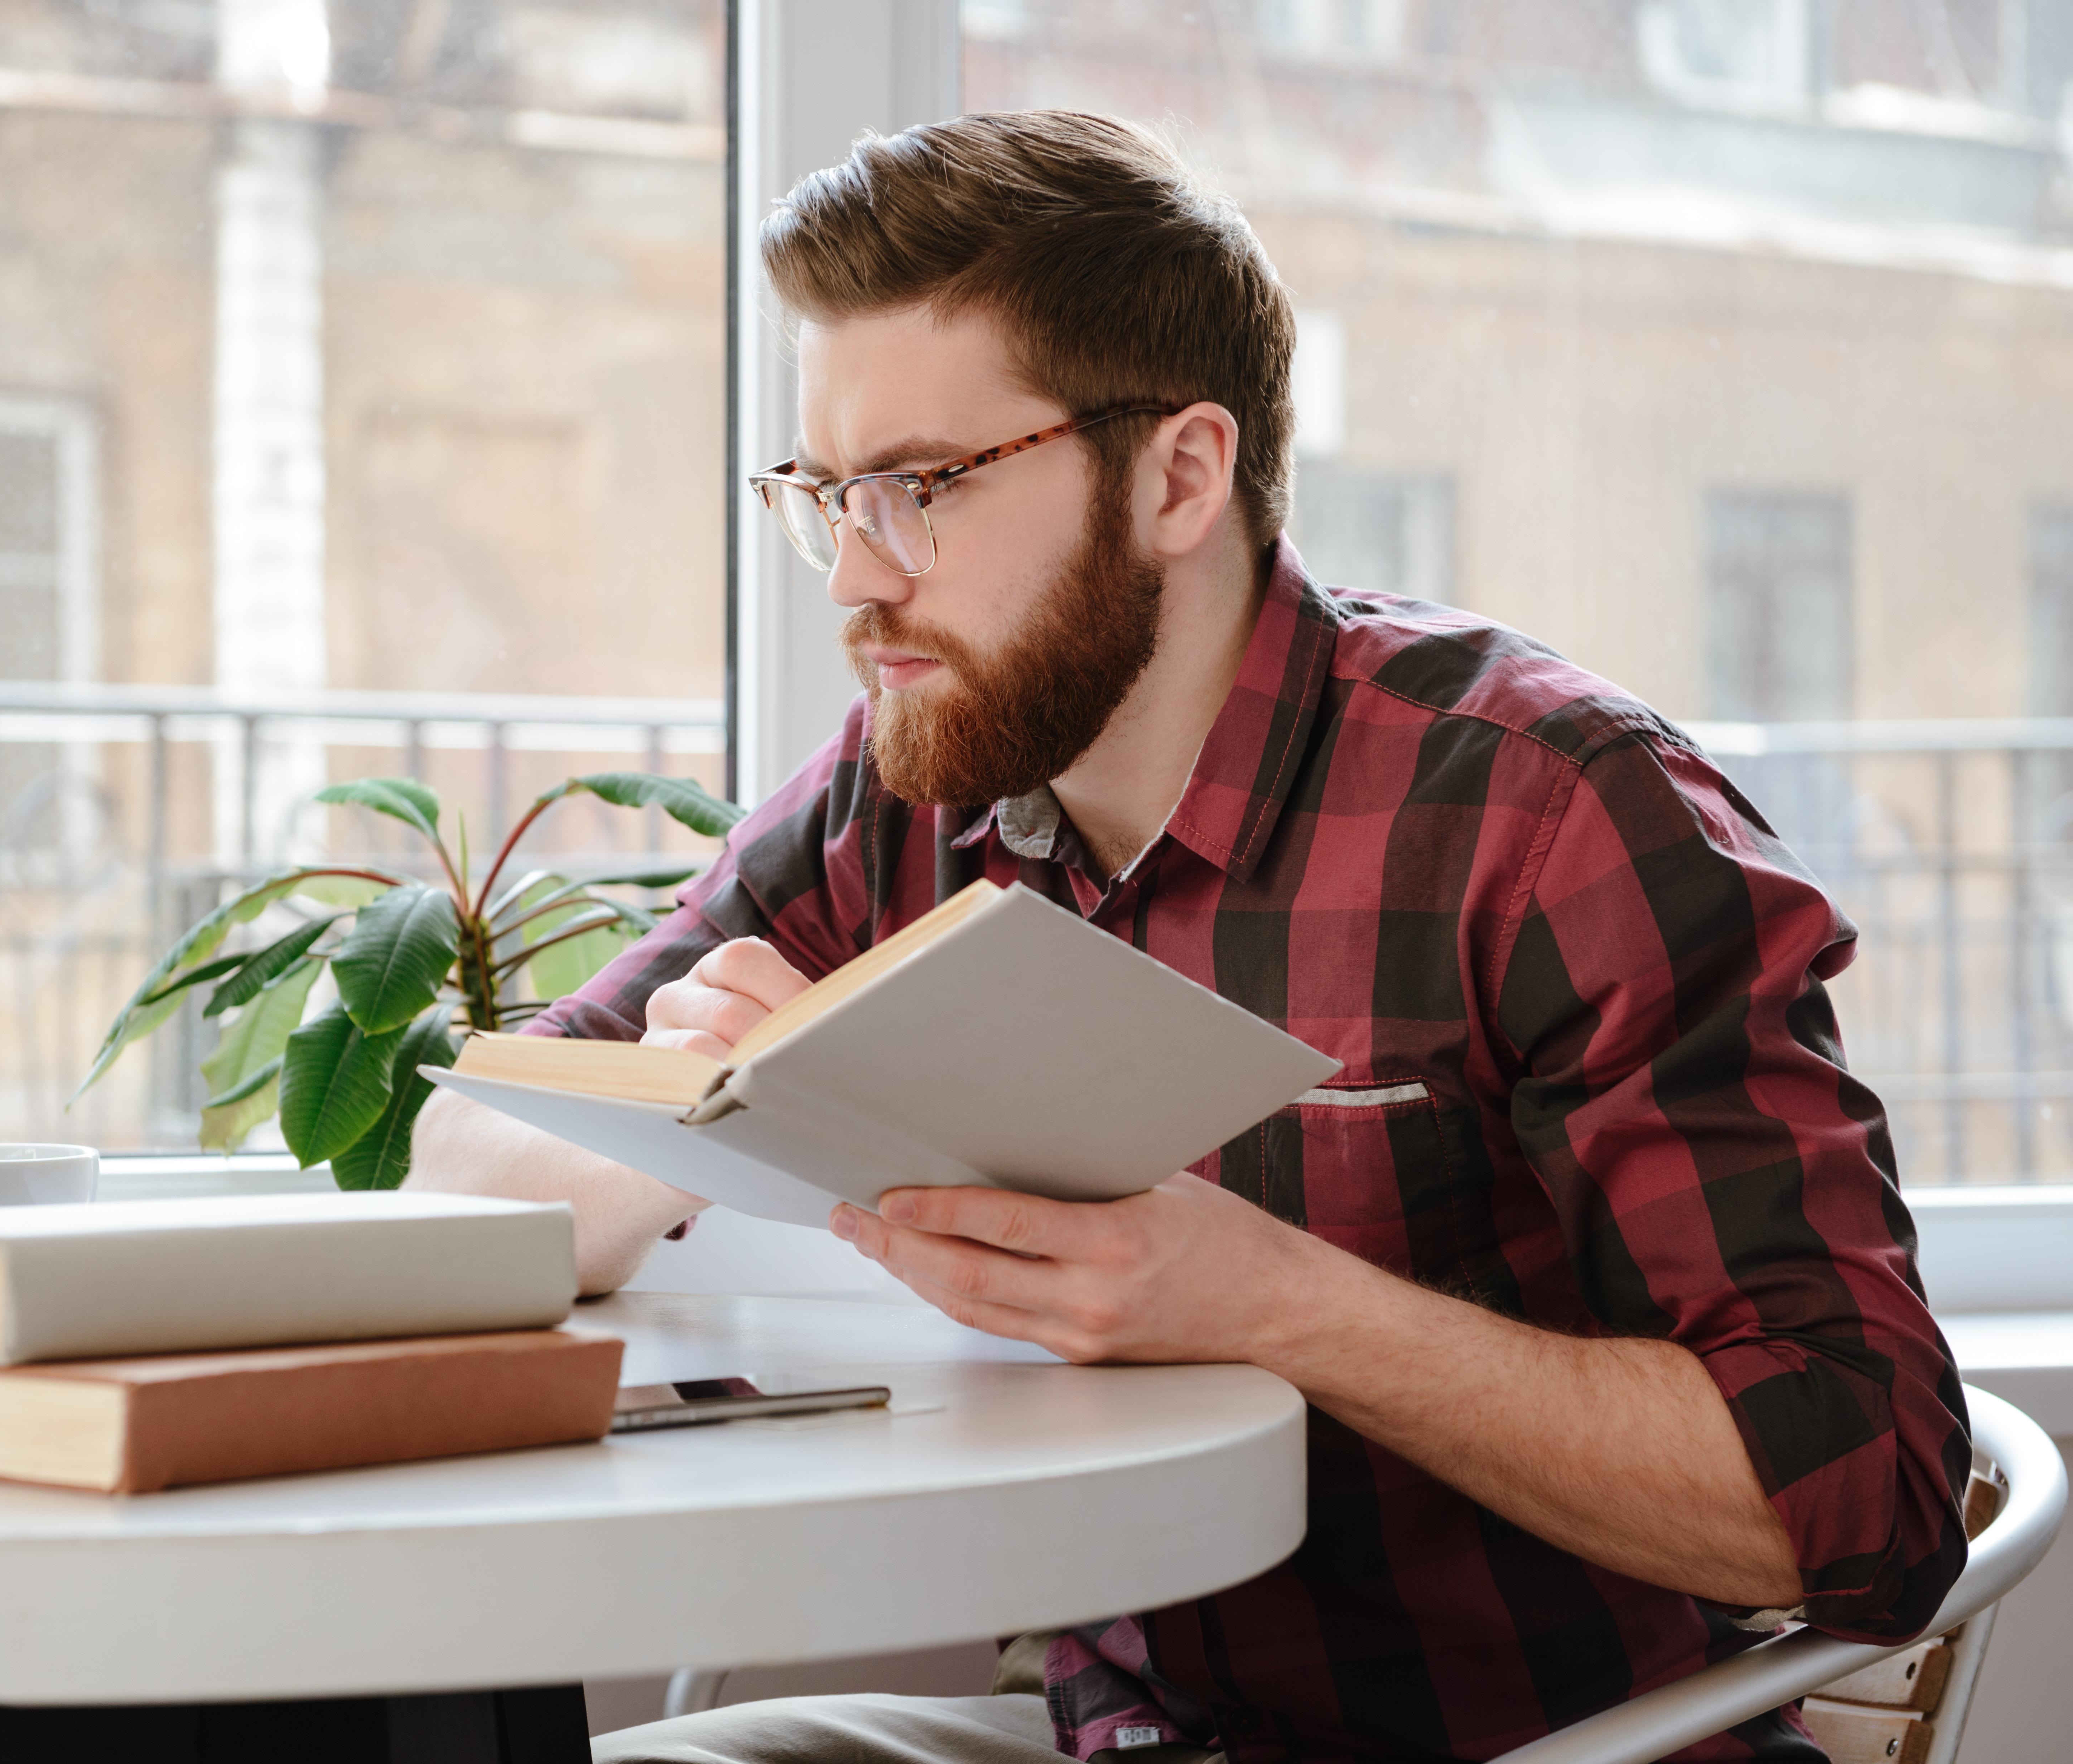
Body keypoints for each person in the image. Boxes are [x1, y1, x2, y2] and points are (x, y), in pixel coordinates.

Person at [406, 110, 1967, 1764]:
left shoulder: (1547, 813)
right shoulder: (915, 789)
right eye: (829, 495)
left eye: (922, 488)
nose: (855, 580)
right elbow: (463, 1157)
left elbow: (1864, 1489)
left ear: (1178, 475)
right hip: (1114, 1731)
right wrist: (696, 1105)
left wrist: (1282, 1305)